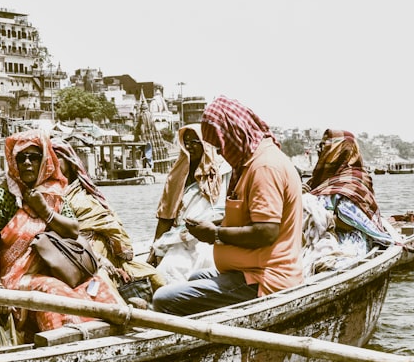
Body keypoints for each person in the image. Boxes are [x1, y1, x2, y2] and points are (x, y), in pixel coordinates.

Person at [152, 96, 303, 316]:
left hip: (266, 279)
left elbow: (267, 232)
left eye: (221, 145)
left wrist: (216, 234)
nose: (220, 152)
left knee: (162, 299)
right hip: (247, 271)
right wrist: (212, 225)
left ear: (234, 134)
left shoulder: (264, 167)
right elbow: (249, 220)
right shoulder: (251, 164)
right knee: (195, 277)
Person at [0, 130, 122, 338]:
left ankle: (116, 334)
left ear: (44, 160)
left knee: (97, 284)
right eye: (21, 158)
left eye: (34, 157)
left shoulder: (52, 194)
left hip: (56, 268)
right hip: (15, 277)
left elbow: (73, 231)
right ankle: (67, 345)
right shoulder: (0, 197)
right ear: (13, 162)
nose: (27, 163)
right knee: (52, 291)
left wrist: (44, 211)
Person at [51, 139, 162, 306]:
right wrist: (99, 257)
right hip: (79, 253)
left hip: (109, 251)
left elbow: (109, 224)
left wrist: (119, 252)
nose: (53, 162)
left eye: (57, 157)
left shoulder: (84, 191)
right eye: (49, 158)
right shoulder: (49, 195)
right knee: (102, 281)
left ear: (70, 161)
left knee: (155, 277)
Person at [299, 129, 394, 274]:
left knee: (327, 264)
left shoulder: (355, 179)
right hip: (318, 236)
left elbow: (351, 223)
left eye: (325, 146)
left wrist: (322, 218)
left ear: (339, 151)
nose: (320, 151)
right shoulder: (318, 180)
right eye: (320, 146)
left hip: (347, 239)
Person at [148, 124, 232, 284]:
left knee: (206, 262)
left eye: (194, 141)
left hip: (210, 235)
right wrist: (155, 247)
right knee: (166, 272)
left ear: (205, 144)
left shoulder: (222, 172)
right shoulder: (178, 175)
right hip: (182, 237)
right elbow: (166, 215)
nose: (189, 146)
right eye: (185, 142)